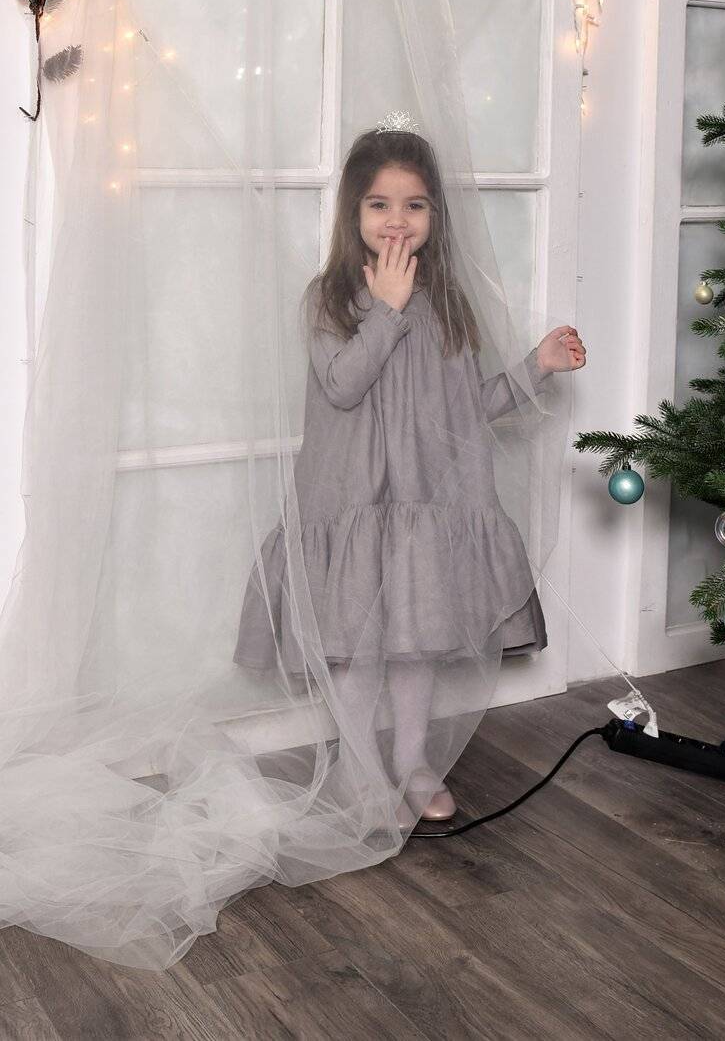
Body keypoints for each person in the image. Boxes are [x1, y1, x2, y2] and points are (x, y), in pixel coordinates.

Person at [233, 123, 586, 830]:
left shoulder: (447, 303)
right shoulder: (330, 298)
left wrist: (536, 366)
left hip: (427, 504)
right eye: (380, 204)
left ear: (434, 214)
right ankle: (360, 768)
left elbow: (467, 409)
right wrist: (386, 308)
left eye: (414, 205)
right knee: (359, 652)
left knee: (416, 644)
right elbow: (342, 385)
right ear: (354, 212)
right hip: (353, 501)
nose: (397, 220)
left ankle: (414, 760)